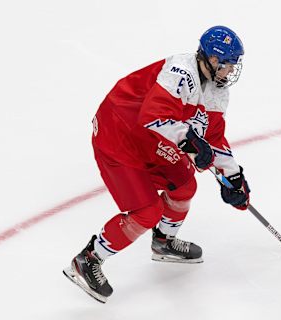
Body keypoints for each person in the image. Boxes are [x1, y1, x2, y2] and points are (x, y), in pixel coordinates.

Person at [63, 25, 251, 303]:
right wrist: (190, 142)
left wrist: (233, 176)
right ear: (212, 60)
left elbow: (212, 137)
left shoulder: (216, 91)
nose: (230, 72)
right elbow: (154, 116)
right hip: (119, 134)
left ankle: (163, 242)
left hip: (151, 137)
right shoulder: (181, 72)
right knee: (146, 212)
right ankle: (87, 259)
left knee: (184, 186)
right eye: (227, 66)